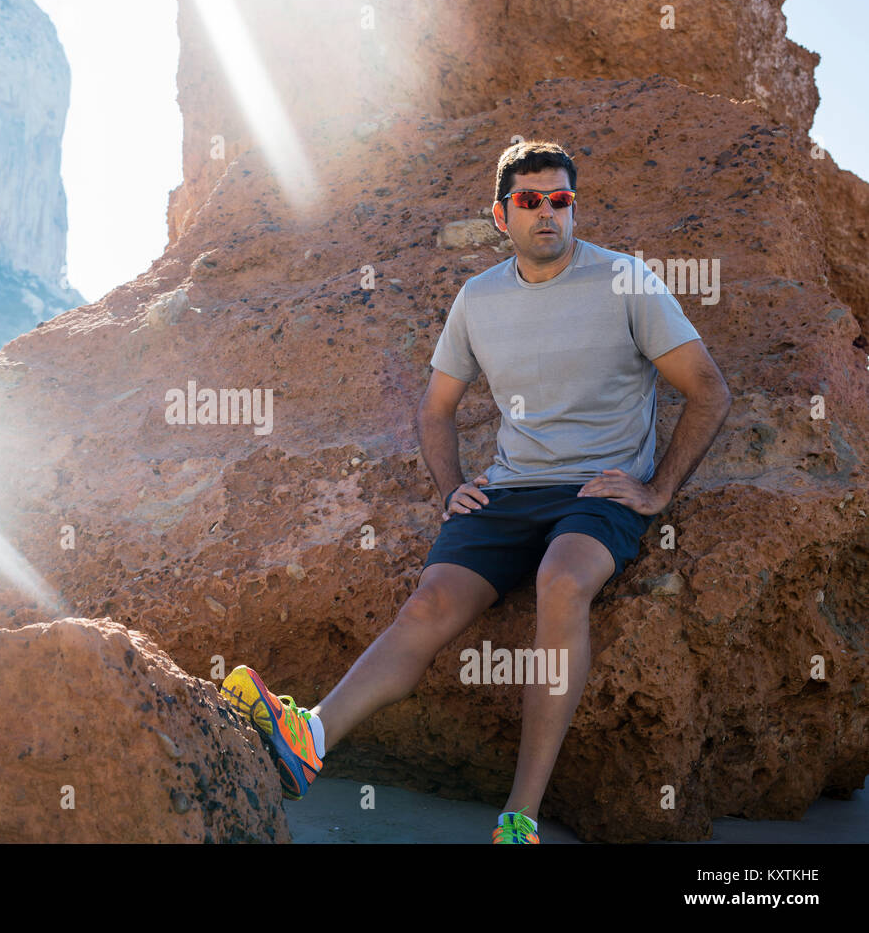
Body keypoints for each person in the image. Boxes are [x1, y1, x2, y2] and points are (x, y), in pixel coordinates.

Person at [221, 140, 733, 843]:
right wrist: (452, 487)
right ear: (501, 215)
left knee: (560, 581)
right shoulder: (478, 298)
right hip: (509, 491)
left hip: (595, 491)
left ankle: (518, 817)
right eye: (530, 201)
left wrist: (658, 489)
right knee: (430, 602)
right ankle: (310, 738)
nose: (548, 212)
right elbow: (435, 409)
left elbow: (708, 389)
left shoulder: (626, 280)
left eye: (561, 200)